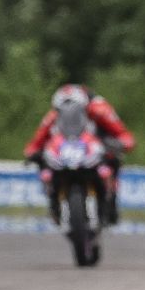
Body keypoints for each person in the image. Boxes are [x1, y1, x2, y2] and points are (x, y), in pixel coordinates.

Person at [23, 84, 135, 223]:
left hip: (96, 150)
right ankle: (53, 203)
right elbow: (36, 141)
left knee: (113, 160)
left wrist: (119, 144)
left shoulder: (100, 109)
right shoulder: (53, 116)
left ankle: (110, 202)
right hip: (67, 155)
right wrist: (33, 153)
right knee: (43, 161)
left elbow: (124, 135)